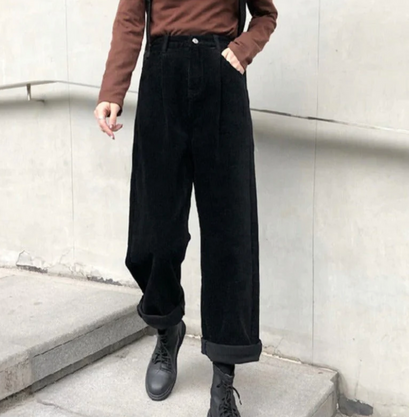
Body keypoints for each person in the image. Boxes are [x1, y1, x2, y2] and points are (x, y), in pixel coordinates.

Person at [94, 0, 278, 415]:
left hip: (222, 81)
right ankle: (167, 327)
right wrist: (112, 91)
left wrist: (242, 49)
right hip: (162, 79)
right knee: (153, 232)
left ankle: (223, 377)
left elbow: (266, 15)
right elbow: (130, 19)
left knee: (229, 235)